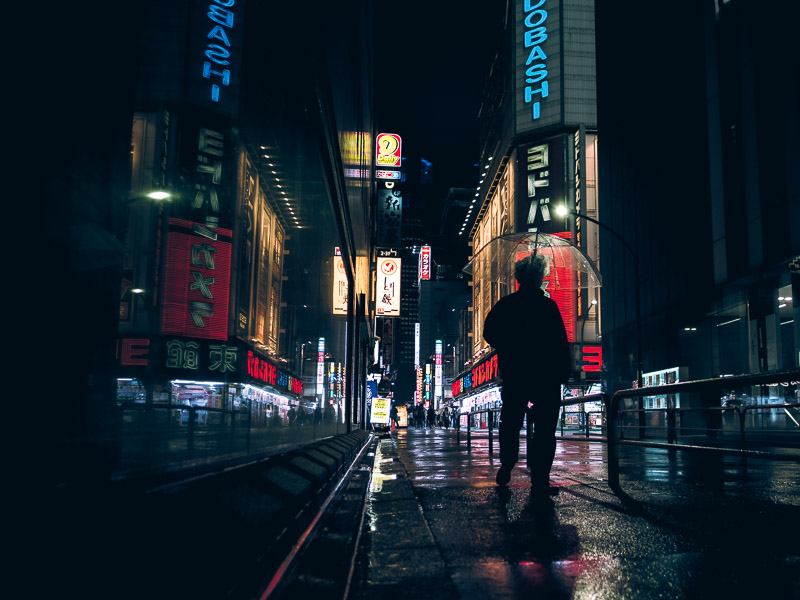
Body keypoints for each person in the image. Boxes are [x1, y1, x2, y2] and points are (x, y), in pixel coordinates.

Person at [483, 254, 570, 496]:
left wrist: (509, 345)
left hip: (515, 373)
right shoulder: (548, 306)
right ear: (540, 278)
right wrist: (564, 371)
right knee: (545, 429)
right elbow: (561, 342)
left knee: (510, 423)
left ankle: (507, 464)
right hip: (546, 375)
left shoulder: (507, 304)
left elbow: (488, 332)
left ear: (518, 278)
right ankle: (540, 479)